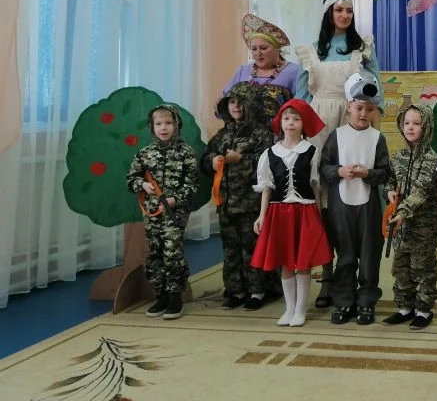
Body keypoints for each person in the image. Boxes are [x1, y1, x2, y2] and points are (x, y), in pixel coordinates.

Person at [296, 0, 382, 308]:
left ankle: (360, 276)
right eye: (339, 10)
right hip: (319, 125)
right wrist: (301, 133)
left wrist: (372, 124)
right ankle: (328, 277)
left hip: (351, 120)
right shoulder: (311, 51)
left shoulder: (362, 48)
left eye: (349, 10)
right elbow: (301, 96)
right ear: (328, 14)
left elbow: (375, 90)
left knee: (354, 193)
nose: (345, 15)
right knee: (323, 198)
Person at [251, 99, 332, 327]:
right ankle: (289, 308)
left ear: (303, 124)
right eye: (286, 118)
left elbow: (316, 186)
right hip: (279, 213)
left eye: (296, 119)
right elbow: (267, 188)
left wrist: (318, 215)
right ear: (280, 122)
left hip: (305, 211)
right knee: (285, 262)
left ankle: (300, 310)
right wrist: (262, 215)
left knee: (303, 262)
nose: (291, 123)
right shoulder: (269, 154)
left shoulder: (312, 152)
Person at [319, 71, 391, 326]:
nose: (363, 114)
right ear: (349, 106)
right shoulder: (336, 136)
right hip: (340, 206)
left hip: (369, 207)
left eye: (369, 109)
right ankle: (344, 301)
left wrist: (367, 173)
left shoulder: (377, 138)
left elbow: (385, 172)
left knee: (369, 255)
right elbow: (324, 167)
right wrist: (339, 171)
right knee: (345, 255)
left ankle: (366, 301)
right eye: (359, 108)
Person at [200, 86, 274, 311]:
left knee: (252, 248)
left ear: (249, 105)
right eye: (232, 102)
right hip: (226, 203)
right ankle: (235, 290)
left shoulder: (261, 134)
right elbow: (205, 159)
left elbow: (268, 164)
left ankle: (257, 291)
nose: (236, 106)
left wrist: (240, 158)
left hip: (252, 204)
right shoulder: (222, 134)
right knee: (230, 250)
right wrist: (212, 161)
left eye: (241, 102)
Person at [126, 104, 200, 321]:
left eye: (168, 123)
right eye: (158, 124)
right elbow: (131, 179)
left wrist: (175, 199)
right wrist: (142, 184)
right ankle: (161, 296)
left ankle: (175, 296)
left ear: (176, 125)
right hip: (152, 212)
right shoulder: (145, 154)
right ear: (152, 127)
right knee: (155, 252)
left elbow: (192, 184)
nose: (163, 128)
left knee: (172, 251)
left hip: (175, 212)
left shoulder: (186, 152)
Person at [383, 103, 437, 330]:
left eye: (416, 123)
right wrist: (389, 191)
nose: (410, 127)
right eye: (407, 123)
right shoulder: (398, 157)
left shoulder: (431, 159)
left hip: (424, 226)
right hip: (400, 226)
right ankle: (404, 307)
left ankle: (423, 309)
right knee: (400, 266)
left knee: (422, 267)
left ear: (426, 127)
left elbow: (421, 191)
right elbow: (390, 180)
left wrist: (402, 213)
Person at [224, 14, 304, 123]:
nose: (258, 53)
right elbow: (224, 103)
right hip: (243, 132)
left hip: (279, 132)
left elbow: (302, 108)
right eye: (254, 49)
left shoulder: (294, 72)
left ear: (277, 48)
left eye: (263, 48)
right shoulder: (243, 71)